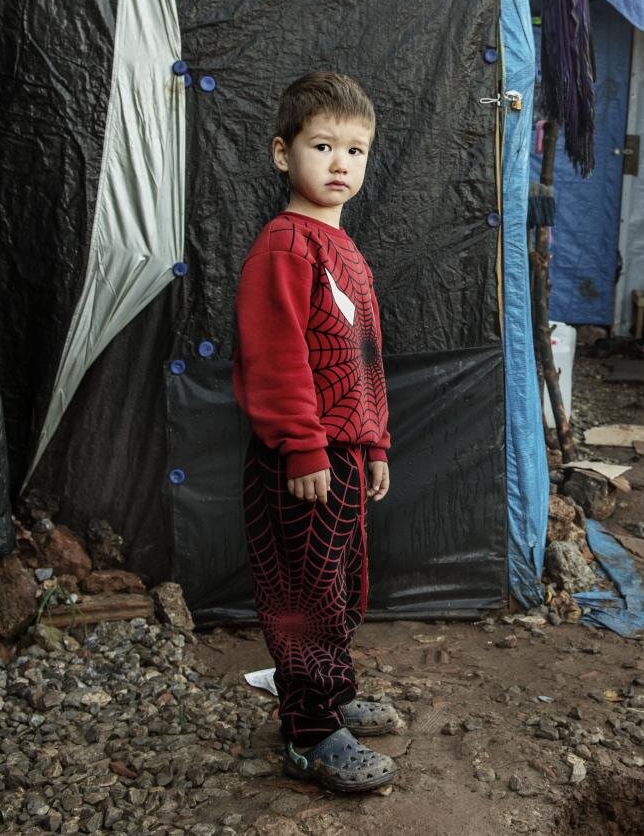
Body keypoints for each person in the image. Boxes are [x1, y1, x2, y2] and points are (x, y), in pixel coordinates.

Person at [233, 71, 400, 793]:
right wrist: (303, 444)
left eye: (356, 151)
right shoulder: (284, 246)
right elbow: (276, 356)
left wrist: (374, 443)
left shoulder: (348, 253)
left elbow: (362, 360)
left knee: (343, 586)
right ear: (282, 154)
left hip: (345, 453)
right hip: (300, 455)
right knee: (305, 596)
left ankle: (331, 696)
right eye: (323, 145)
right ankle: (307, 734)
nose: (340, 164)